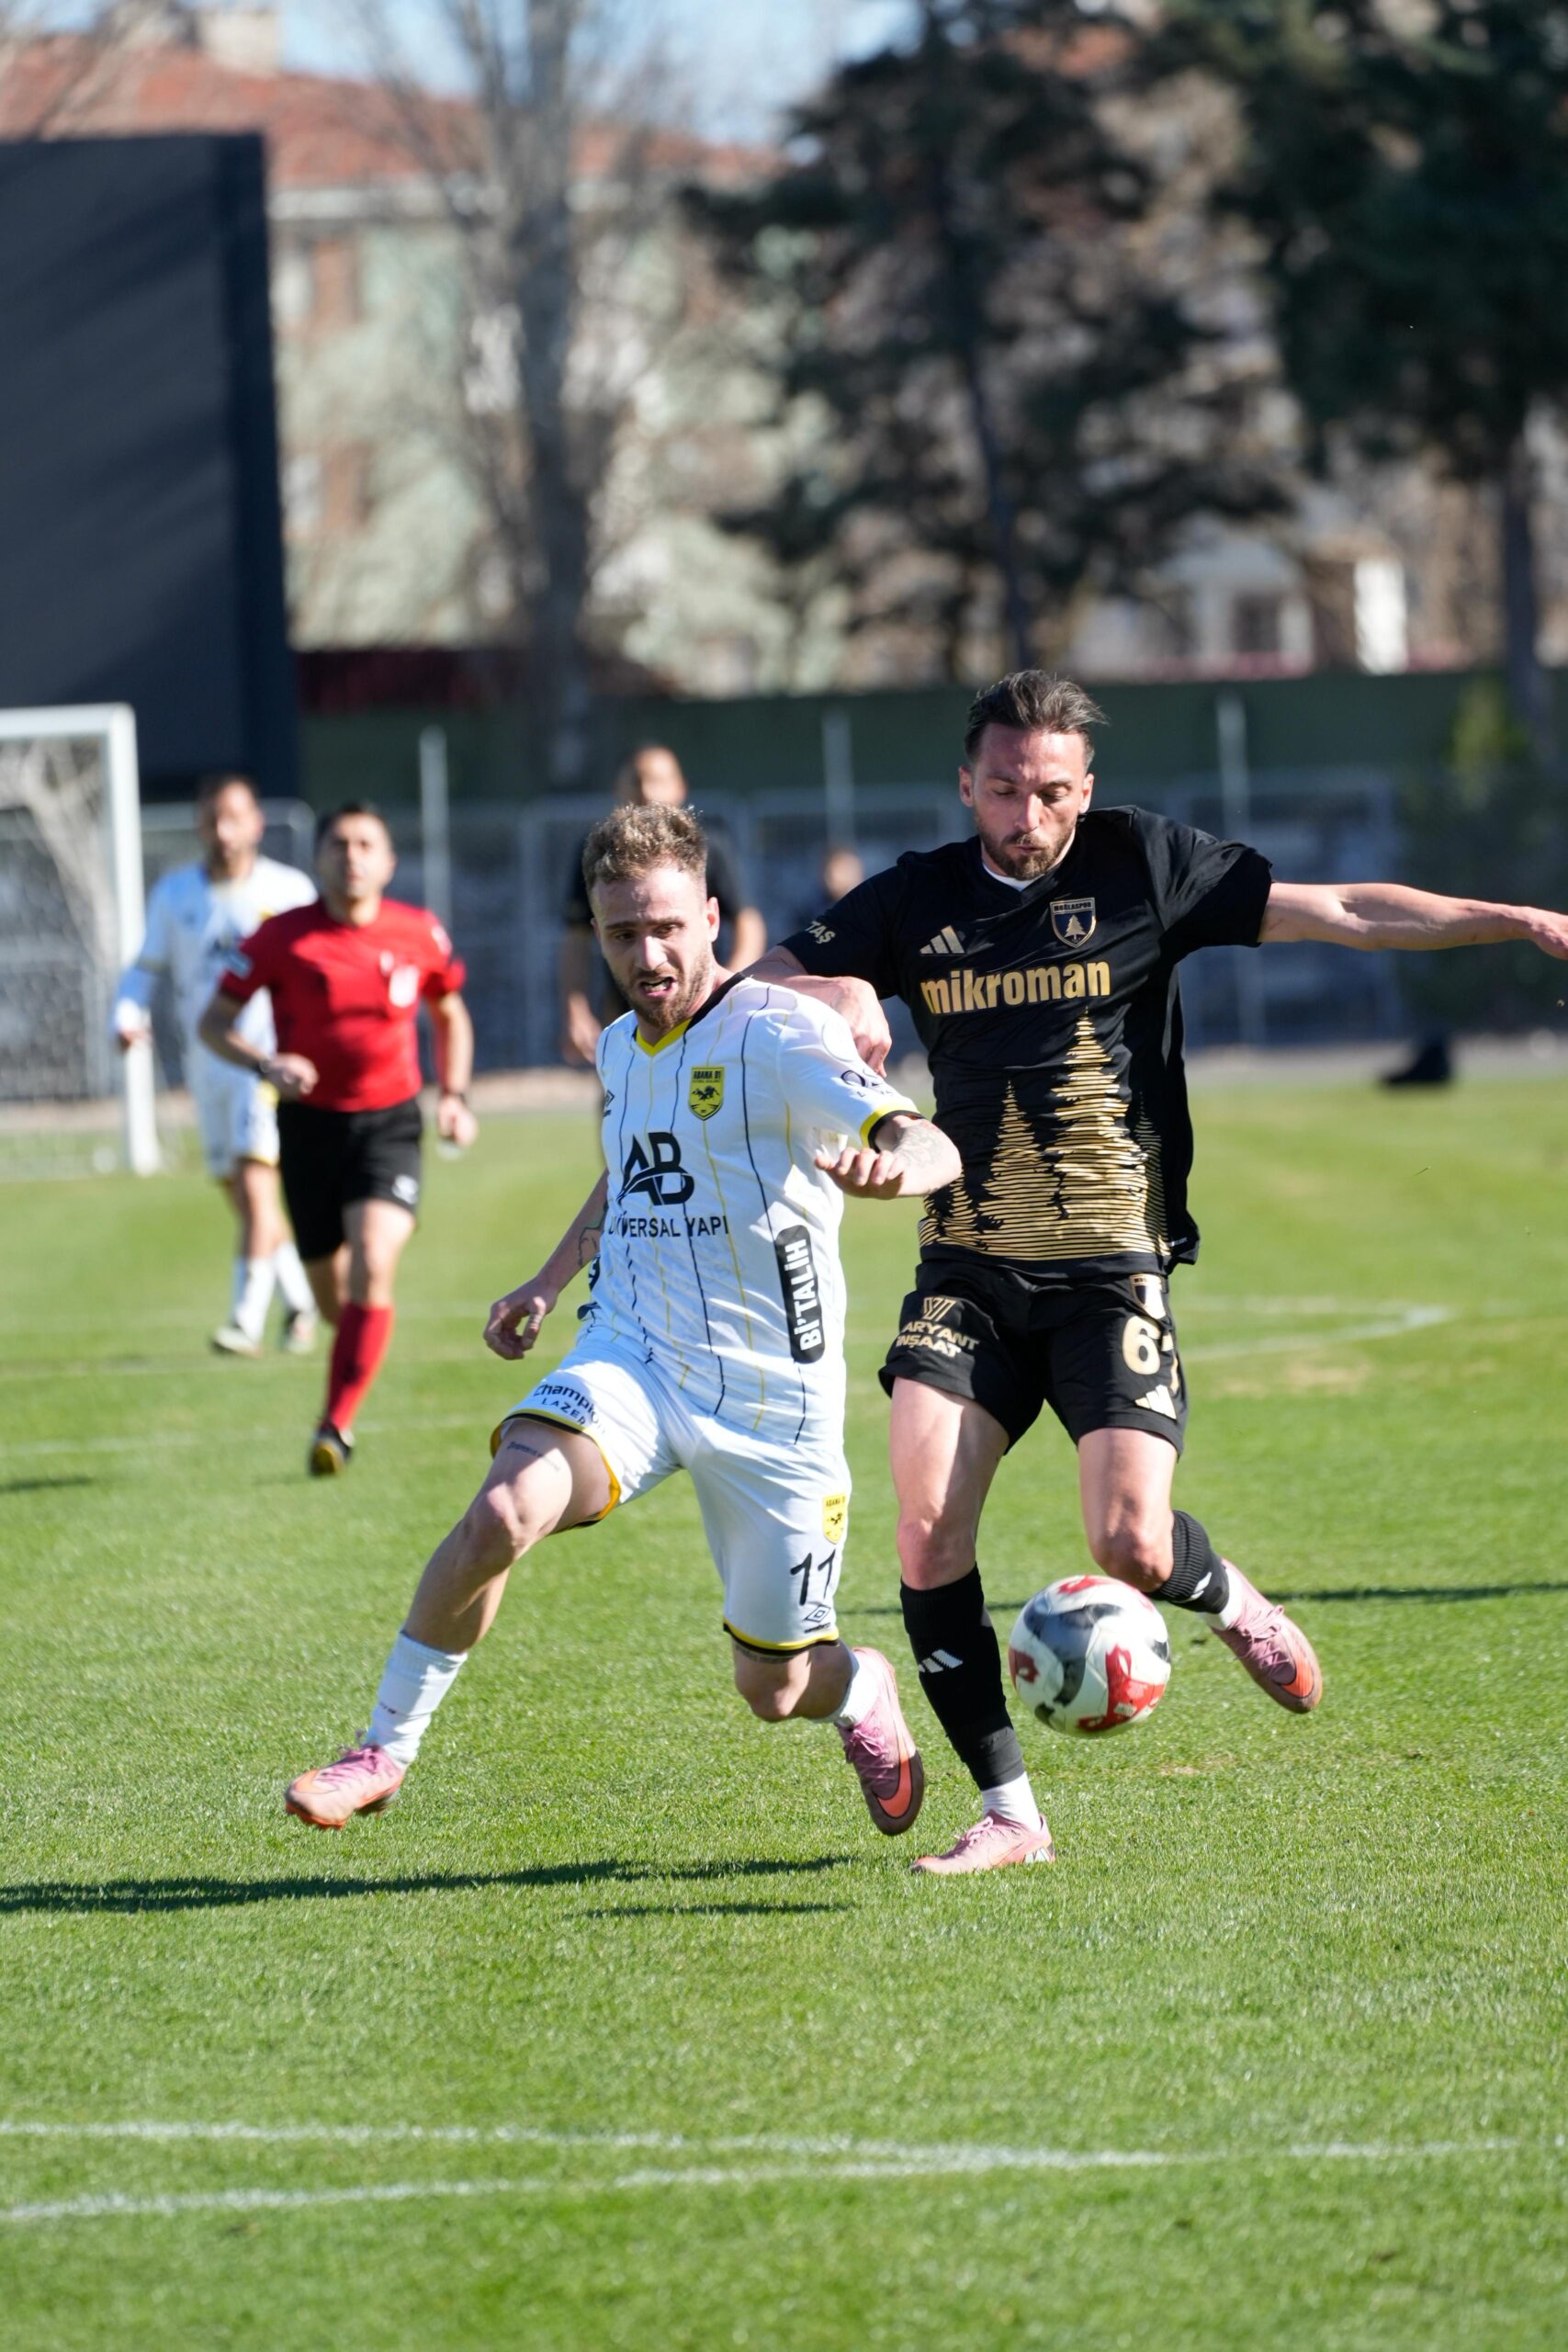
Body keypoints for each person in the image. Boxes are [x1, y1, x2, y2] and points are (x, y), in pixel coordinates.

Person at [752, 668, 1568, 1875]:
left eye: (1048, 794)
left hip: (1107, 1272)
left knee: (1130, 1542)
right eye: (999, 790)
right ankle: (1009, 1814)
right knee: (924, 1536)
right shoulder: (915, 897)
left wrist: (1517, 919)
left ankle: (1230, 1603)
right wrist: (831, 1003)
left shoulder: (1141, 863)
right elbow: (766, 985)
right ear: (964, 783)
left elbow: (1340, 909)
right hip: (965, 1271)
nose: (1022, 819)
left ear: (1085, 789)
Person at [282, 802, 964, 1837]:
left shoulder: (779, 1033)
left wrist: (895, 1167)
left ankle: (864, 1689)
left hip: (776, 1405)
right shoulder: (616, 1047)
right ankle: (383, 1747)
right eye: (620, 933)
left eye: (666, 928)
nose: (646, 955)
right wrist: (549, 1282)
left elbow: (929, 1141)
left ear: (713, 918)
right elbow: (628, 1175)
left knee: (774, 1686)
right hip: (634, 1357)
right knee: (504, 1509)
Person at [197, 801, 478, 1476]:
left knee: (374, 1262)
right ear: (318, 858)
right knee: (334, 1295)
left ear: (388, 861)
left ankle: (336, 1426)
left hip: (390, 1123)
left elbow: (449, 1011)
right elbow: (214, 1023)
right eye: (338, 845)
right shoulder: (280, 937)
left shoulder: (420, 932)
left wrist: (455, 1095)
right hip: (309, 1128)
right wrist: (267, 1064)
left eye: (365, 844)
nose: (351, 856)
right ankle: (346, 1335)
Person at [112, 772, 319, 1357]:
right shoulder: (175, 894)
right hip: (207, 1068)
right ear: (200, 826)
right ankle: (299, 1301)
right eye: (212, 819)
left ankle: (244, 1322)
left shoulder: (289, 891)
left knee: (256, 1189)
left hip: (266, 1063)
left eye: (234, 817)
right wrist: (124, 1016)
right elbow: (145, 968)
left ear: (257, 822)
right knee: (240, 1192)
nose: (223, 831)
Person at [558, 744, 766, 1066]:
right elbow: (576, 938)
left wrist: (728, 991)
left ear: (680, 788)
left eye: (657, 780)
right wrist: (575, 1007)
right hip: (627, 1015)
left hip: (701, 1015)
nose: (646, 790)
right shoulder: (597, 855)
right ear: (619, 788)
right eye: (636, 780)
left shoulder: (709, 847)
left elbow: (748, 923)